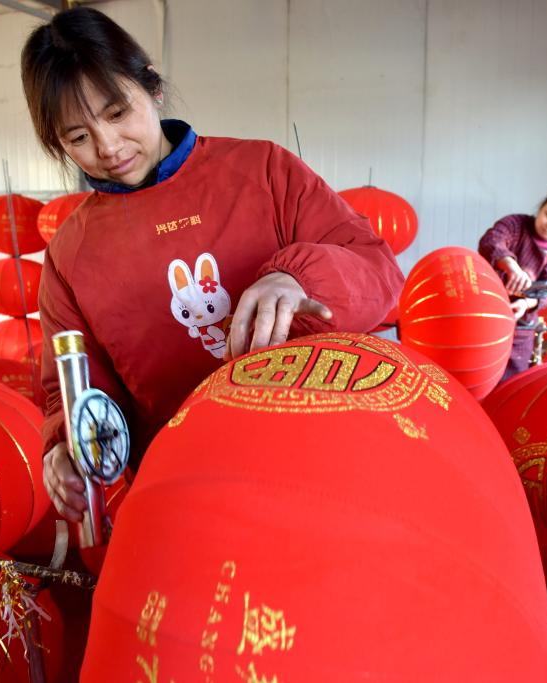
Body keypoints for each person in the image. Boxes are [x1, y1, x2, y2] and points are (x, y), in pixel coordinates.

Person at [22, 6, 404, 524]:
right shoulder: (70, 254)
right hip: (191, 489)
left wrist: (297, 277)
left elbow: (378, 270)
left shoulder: (263, 170)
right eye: (78, 138)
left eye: (117, 114)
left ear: (153, 88)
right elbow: (74, 391)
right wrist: (65, 445)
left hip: (317, 463)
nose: (108, 148)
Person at [478, 184, 547, 381]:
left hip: (521, 324)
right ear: (542, 206)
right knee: (478, 370)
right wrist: (511, 266)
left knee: (511, 382)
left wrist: (526, 303)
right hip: (485, 310)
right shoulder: (515, 224)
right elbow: (491, 240)